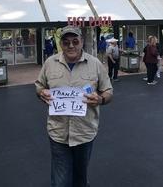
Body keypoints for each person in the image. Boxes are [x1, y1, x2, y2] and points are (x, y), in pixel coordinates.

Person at [35, 25, 113, 187]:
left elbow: (108, 91)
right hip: (58, 133)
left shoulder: (95, 64)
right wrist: (41, 92)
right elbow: (39, 85)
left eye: (75, 41)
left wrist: (100, 99)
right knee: (60, 181)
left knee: (80, 178)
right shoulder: (50, 63)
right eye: (66, 42)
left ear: (81, 42)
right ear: (61, 44)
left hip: (84, 133)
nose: (71, 46)